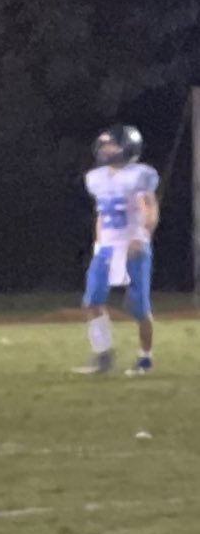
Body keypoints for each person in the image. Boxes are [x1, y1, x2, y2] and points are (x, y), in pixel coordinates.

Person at [77, 124, 159, 376]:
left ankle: (145, 358)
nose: (105, 148)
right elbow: (101, 214)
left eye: (110, 143)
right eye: (103, 144)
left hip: (133, 245)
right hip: (108, 247)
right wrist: (98, 243)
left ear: (127, 146)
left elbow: (150, 208)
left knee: (139, 307)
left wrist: (142, 236)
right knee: (92, 301)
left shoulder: (140, 175)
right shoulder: (97, 178)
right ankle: (103, 355)